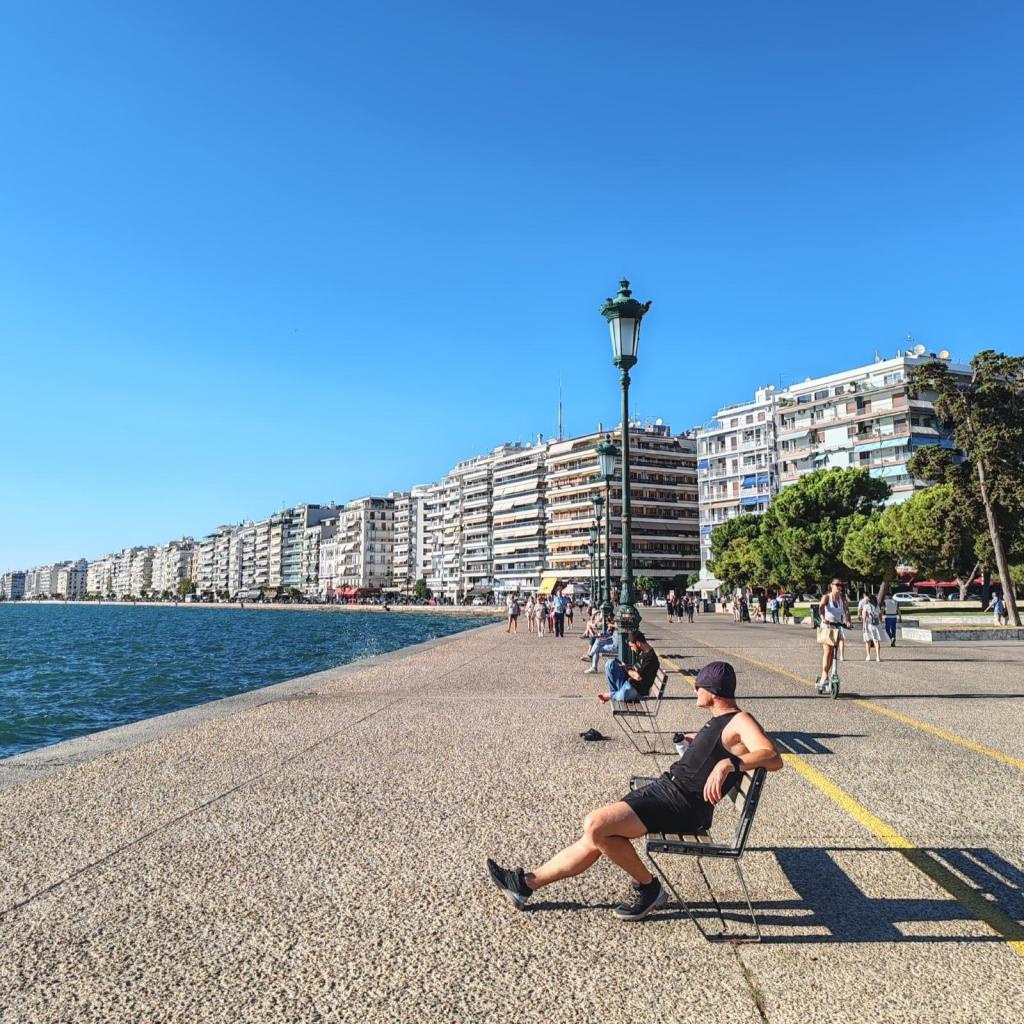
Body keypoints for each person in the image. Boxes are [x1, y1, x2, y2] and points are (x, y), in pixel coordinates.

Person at [486, 661, 784, 920]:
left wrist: (729, 764)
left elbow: (772, 756)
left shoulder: (740, 719)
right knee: (595, 834)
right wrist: (699, 744)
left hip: (683, 807)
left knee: (596, 825)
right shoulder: (720, 721)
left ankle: (649, 888)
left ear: (713, 692)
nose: (695, 691)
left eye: (698, 686)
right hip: (669, 792)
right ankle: (525, 885)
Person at [599, 631, 659, 704]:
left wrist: (626, 669)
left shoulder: (650, 659)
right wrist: (625, 667)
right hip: (629, 682)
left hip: (638, 690)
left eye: (632, 646)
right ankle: (615, 694)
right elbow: (635, 669)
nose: (631, 649)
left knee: (624, 694)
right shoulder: (643, 652)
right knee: (610, 664)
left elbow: (638, 676)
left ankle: (610, 695)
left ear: (638, 643)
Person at [817, 579, 851, 689]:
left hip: (838, 626)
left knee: (833, 654)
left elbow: (846, 611)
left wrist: (849, 621)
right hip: (828, 626)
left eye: (841, 585)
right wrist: (823, 618)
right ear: (831, 586)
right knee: (828, 651)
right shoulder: (826, 597)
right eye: (837, 585)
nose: (839, 587)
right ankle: (824, 675)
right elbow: (821, 607)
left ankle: (831, 673)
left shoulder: (842, 599)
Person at [858, 591, 883, 662]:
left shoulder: (866, 606)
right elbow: (880, 616)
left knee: (868, 641)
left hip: (868, 625)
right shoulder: (877, 607)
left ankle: (868, 656)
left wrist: (863, 627)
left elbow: (864, 618)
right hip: (877, 625)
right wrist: (880, 623)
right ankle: (878, 656)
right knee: (876, 641)